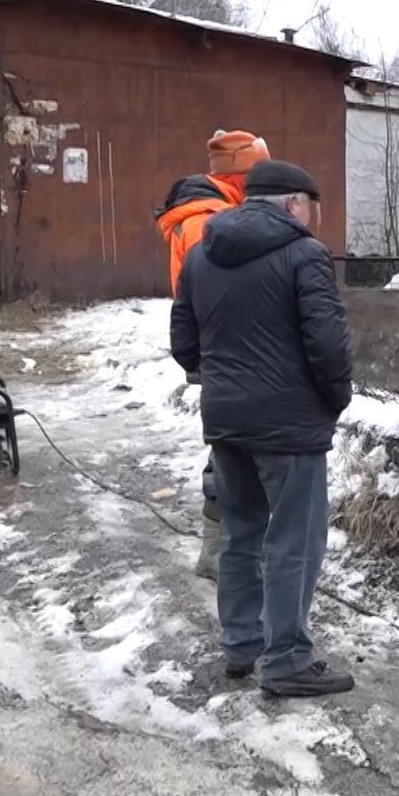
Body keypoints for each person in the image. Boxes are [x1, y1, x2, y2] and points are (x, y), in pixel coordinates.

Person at [170, 159, 355, 698]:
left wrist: (222, 380)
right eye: (311, 208)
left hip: (226, 422)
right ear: (293, 204)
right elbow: (328, 343)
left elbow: (183, 343)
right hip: (289, 426)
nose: (313, 220)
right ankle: (288, 659)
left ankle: (242, 644)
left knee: (241, 532)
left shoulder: (202, 253)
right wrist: (333, 399)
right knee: (294, 540)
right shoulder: (306, 256)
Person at [155, 129, 271, 582]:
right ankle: (221, 553)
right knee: (231, 453)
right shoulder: (211, 222)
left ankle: (225, 551)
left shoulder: (206, 214)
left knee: (227, 447)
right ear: (242, 178)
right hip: (228, 350)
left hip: (216, 349)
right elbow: (225, 292)